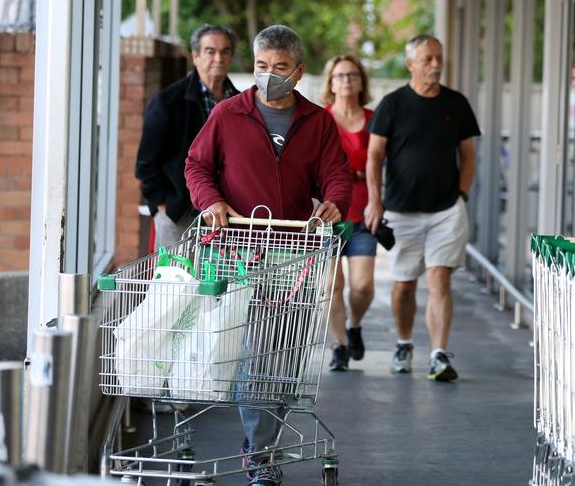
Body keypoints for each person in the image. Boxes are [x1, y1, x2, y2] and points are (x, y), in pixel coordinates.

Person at [185, 25, 352, 486]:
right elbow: (197, 165)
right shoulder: (227, 114)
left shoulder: (317, 122)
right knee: (257, 353)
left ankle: (261, 446)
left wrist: (335, 203)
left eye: (280, 68)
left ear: (298, 72)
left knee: (285, 356)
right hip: (240, 250)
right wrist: (211, 201)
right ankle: (260, 455)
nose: (269, 76)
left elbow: (337, 175)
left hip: (295, 254)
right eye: (261, 66)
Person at [364, 34, 480, 381]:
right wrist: (375, 199)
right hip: (401, 211)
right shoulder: (393, 104)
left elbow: (469, 154)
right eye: (427, 58)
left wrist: (461, 194)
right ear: (411, 63)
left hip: (446, 209)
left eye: (439, 58)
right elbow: (374, 155)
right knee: (405, 285)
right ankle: (403, 343)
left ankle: (438, 354)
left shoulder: (456, 103)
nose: (435, 64)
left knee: (440, 277)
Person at [135, 24, 240, 249]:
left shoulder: (241, 104)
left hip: (227, 219)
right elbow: (146, 163)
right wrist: (164, 206)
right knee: (176, 283)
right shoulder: (167, 102)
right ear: (196, 56)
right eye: (210, 51)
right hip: (179, 216)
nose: (218, 58)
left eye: (225, 51)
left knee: (220, 283)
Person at [321, 55, 376, 371]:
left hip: (364, 213)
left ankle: (355, 323)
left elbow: (381, 165)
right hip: (329, 214)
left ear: (361, 81)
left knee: (363, 286)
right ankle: (339, 345)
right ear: (331, 82)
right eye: (340, 75)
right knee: (332, 286)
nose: (346, 81)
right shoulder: (322, 119)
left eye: (352, 75)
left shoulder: (373, 119)